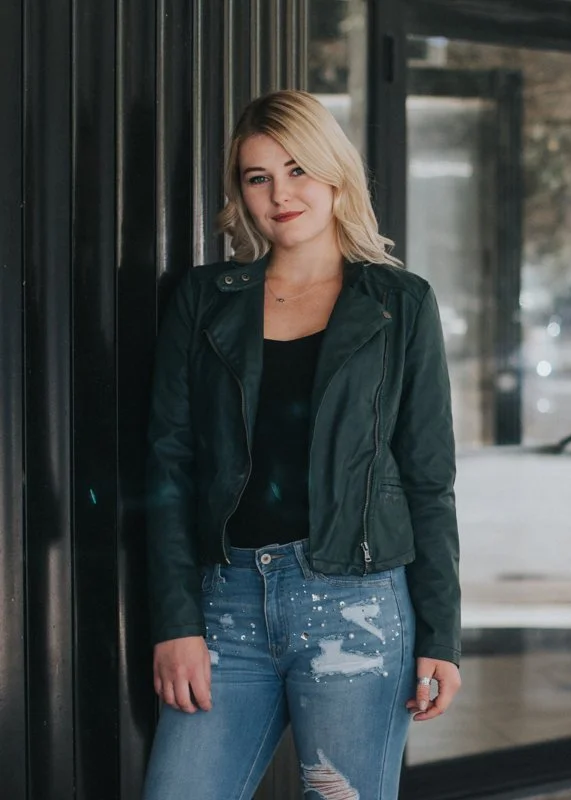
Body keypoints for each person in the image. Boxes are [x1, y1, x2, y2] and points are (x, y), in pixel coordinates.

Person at [142, 89, 462, 799]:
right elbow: (169, 467)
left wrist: (441, 635)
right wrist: (175, 621)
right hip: (225, 608)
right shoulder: (204, 300)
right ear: (242, 193)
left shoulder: (399, 303)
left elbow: (428, 479)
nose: (281, 193)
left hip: (359, 606)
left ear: (334, 173)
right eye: (259, 177)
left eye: (297, 170)